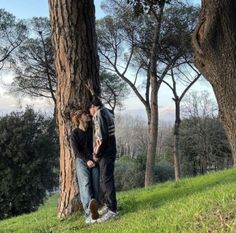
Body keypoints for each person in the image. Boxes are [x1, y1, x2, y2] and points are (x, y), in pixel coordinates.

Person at [88, 95, 118, 223]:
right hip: (111, 149)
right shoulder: (106, 111)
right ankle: (108, 205)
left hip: (104, 152)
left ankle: (112, 210)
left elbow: (100, 138)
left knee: (107, 180)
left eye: (90, 108)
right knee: (106, 179)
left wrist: (96, 154)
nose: (89, 111)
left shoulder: (98, 115)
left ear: (94, 107)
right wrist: (92, 92)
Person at [70, 109, 100, 225]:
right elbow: (76, 151)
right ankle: (88, 214)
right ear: (79, 118)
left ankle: (95, 210)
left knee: (96, 184)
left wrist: (96, 157)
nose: (87, 115)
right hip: (82, 161)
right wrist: (87, 160)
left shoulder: (92, 130)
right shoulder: (75, 134)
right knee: (86, 183)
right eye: (84, 114)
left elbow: (97, 143)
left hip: (94, 159)